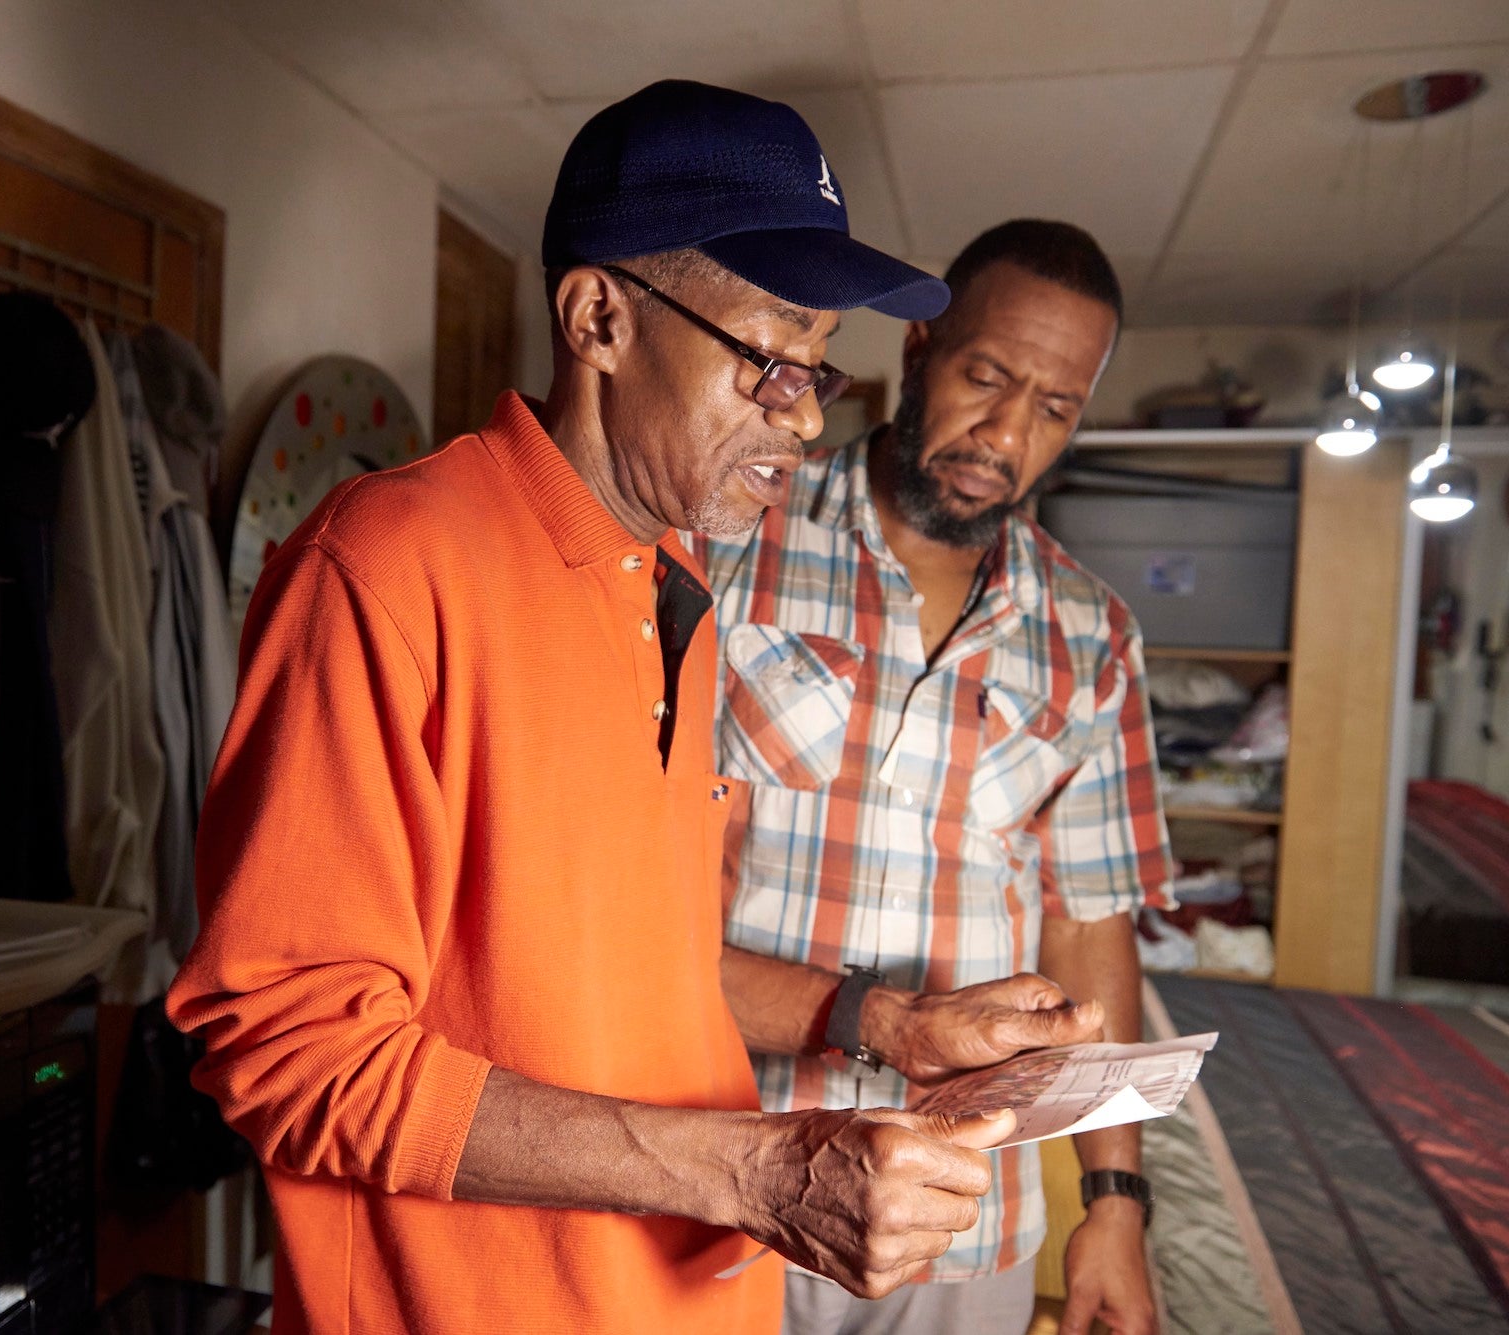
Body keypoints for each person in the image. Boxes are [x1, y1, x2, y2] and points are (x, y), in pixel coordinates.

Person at [168, 87, 1103, 1335]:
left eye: (816, 369)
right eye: (766, 362)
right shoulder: (390, 564)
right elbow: (288, 1050)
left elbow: (638, 960)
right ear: (600, 316)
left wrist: (886, 1022)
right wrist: (751, 1170)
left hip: (693, 1296)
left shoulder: (677, 587)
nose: (803, 418)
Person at [700, 219, 1175, 1335]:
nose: (1004, 433)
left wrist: (1112, 1203)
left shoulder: (1092, 636)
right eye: (984, 376)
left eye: (1052, 409)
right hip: (724, 1165)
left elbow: (1085, 929)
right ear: (917, 350)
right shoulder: (733, 532)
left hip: (963, 1204)